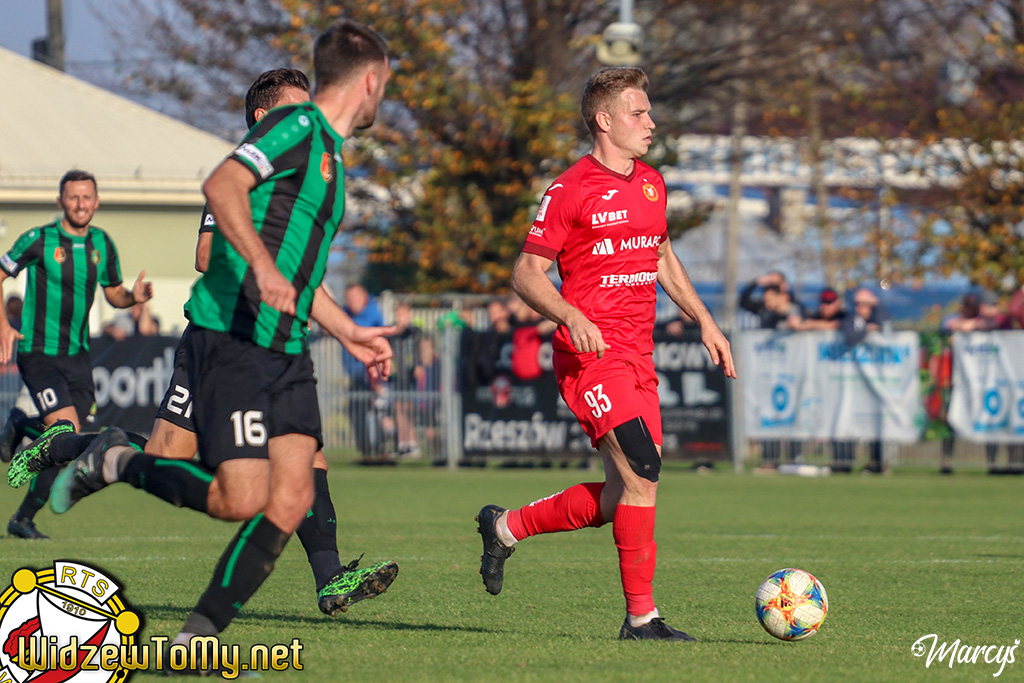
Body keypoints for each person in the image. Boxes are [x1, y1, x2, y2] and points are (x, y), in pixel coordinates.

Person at [17, 20, 396, 670]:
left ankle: (201, 633)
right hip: (232, 338)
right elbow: (220, 188)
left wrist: (351, 332)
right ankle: (113, 459)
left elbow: (301, 277)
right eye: (386, 84)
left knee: (295, 490)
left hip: (286, 348)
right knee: (235, 497)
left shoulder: (332, 163)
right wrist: (262, 267)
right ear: (370, 80)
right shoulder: (295, 129)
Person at [475, 66, 736, 641]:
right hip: (591, 356)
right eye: (638, 113)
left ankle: (506, 527)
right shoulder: (570, 189)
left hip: (639, 357)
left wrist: (706, 321)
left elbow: (660, 256)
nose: (651, 122)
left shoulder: (652, 183)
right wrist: (571, 315)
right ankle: (641, 619)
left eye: (648, 112)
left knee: (624, 496)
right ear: (604, 120)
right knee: (643, 473)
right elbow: (526, 273)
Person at [0, 169, 153, 539]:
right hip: (40, 353)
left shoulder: (102, 243)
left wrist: (132, 297)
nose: (81, 204)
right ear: (60, 201)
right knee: (63, 432)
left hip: (79, 359)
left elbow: (113, 293)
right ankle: (21, 426)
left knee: (68, 444)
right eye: (73, 197)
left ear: (96, 201)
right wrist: (3, 324)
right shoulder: (39, 239)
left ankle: (23, 517)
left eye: (87, 197)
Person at [342, 283, 389, 459]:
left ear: (364, 297)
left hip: (372, 374)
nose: (351, 301)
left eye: (354, 297)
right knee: (356, 411)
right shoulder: (344, 312)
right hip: (354, 375)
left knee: (377, 412)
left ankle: (381, 450)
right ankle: (366, 452)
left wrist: (377, 379)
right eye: (348, 298)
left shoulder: (373, 313)